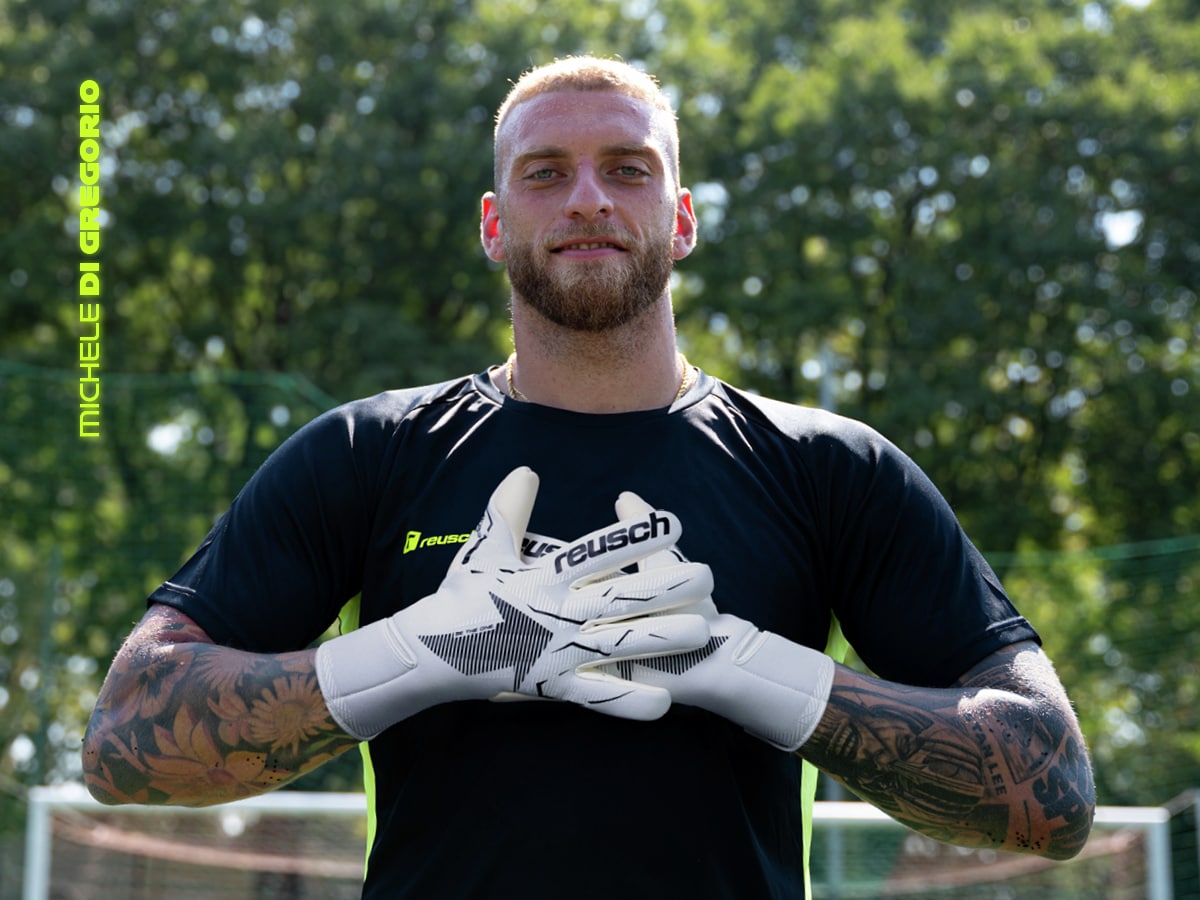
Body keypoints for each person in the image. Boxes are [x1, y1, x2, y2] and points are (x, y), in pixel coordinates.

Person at [82, 55, 1096, 898]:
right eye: (545, 173)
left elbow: (1052, 789)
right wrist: (413, 657)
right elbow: (125, 736)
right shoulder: (366, 453)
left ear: (682, 218)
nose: (587, 199)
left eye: (627, 168)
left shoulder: (832, 471)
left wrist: (751, 672)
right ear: (493, 224)